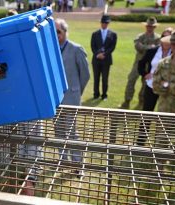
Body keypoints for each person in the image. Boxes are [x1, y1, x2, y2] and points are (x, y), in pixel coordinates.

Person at [55, 18, 90, 175]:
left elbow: (85, 75)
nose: (56, 35)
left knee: (72, 132)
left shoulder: (77, 49)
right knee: (58, 132)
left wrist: (77, 92)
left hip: (72, 99)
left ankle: (78, 165)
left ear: (65, 32)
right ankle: (62, 161)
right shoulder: (51, 49)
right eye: (53, 32)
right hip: (56, 100)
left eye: (59, 32)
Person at [136, 28, 172, 146]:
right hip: (151, 87)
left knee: (163, 118)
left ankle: (159, 145)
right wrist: (145, 74)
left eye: (169, 37)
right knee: (146, 114)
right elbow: (141, 63)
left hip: (167, 89)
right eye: (164, 37)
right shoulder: (153, 51)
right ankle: (140, 143)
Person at [120, 17, 161, 109]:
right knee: (131, 80)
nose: (150, 28)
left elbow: (157, 49)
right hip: (138, 63)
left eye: (152, 26)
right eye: (148, 26)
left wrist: (146, 47)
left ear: (155, 27)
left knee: (145, 83)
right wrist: (150, 47)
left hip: (149, 65)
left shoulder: (158, 38)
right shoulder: (140, 36)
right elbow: (138, 46)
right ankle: (127, 100)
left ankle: (141, 101)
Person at [90, 15, 117, 101]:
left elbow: (112, 47)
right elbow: (92, 46)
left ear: (108, 23)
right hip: (96, 60)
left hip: (106, 60)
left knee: (105, 78)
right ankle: (96, 94)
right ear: (101, 23)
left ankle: (104, 95)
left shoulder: (113, 34)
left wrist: (104, 54)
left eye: (106, 23)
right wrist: (97, 54)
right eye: (103, 22)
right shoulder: (95, 34)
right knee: (96, 78)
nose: (104, 24)